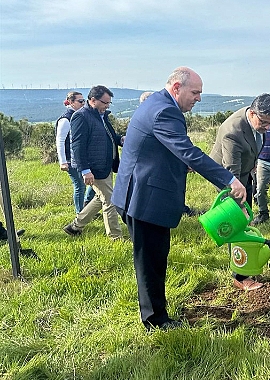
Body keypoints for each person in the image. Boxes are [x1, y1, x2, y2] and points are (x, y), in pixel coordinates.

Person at [112, 67, 246, 331]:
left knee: (154, 257)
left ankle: (156, 312)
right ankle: (155, 321)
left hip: (137, 193)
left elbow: (162, 147)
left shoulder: (156, 103)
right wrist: (229, 180)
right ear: (176, 88)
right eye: (194, 92)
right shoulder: (165, 111)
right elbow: (187, 150)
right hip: (144, 199)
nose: (198, 98)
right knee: (150, 261)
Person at [210, 93, 270, 291]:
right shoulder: (233, 132)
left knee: (245, 222)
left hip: (243, 174)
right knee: (238, 224)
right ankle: (240, 276)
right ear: (252, 113)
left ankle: (245, 266)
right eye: (265, 123)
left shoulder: (258, 122)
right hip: (227, 179)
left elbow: (255, 146)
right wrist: (239, 206)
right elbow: (230, 172)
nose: (267, 128)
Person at [63, 85, 123, 239]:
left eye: (109, 103)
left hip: (105, 166)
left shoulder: (102, 116)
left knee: (100, 197)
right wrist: (85, 170)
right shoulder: (81, 116)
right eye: (105, 103)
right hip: (94, 167)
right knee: (110, 200)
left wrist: (121, 140)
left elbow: (108, 136)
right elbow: (77, 146)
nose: (107, 106)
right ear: (93, 100)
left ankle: (75, 226)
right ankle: (115, 237)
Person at [56, 91, 86, 214]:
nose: (83, 103)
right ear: (71, 102)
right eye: (80, 101)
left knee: (85, 184)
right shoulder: (66, 119)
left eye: (84, 101)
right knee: (79, 186)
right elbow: (60, 141)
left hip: (77, 157)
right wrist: (63, 161)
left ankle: (86, 208)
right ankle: (80, 214)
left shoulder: (76, 116)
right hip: (70, 159)